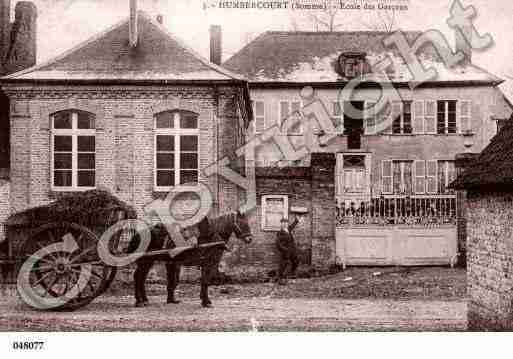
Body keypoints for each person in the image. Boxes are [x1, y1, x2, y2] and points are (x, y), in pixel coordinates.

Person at [276, 215, 300, 285]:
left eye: (286, 223)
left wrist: (296, 220)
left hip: (292, 250)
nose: (285, 224)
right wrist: (284, 249)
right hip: (285, 251)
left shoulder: (288, 229)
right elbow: (278, 244)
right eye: (283, 223)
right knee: (284, 264)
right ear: (281, 224)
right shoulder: (279, 233)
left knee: (296, 261)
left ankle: (292, 275)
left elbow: (292, 226)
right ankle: (281, 279)